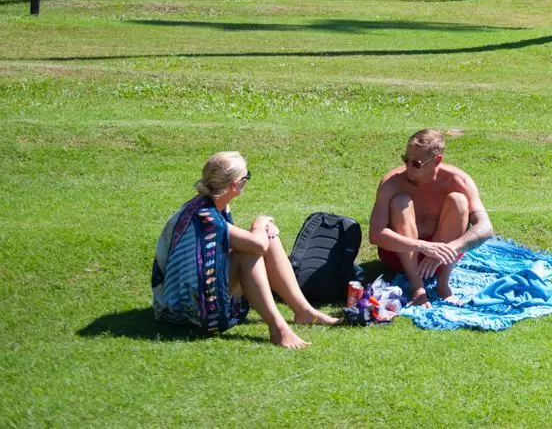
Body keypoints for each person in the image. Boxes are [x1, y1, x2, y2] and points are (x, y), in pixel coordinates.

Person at [151, 151, 338, 349]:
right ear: (233, 185)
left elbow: (243, 243)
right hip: (182, 309)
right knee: (250, 253)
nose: (247, 180)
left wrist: (264, 231)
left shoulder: (214, 205)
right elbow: (257, 246)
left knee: (267, 240)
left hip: (196, 290)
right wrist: (261, 222)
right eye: (246, 176)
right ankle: (278, 329)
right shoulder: (206, 217)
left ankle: (304, 311)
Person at [369, 128, 494, 306]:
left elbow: (485, 227)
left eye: (417, 163)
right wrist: (424, 246)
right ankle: (416, 285)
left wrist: (447, 249)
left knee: (458, 200)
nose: (409, 167)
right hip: (400, 255)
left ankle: (443, 284)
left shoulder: (458, 181)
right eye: (406, 160)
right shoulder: (393, 182)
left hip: (442, 259)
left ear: (437, 160)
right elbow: (375, 234)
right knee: (400, 202)